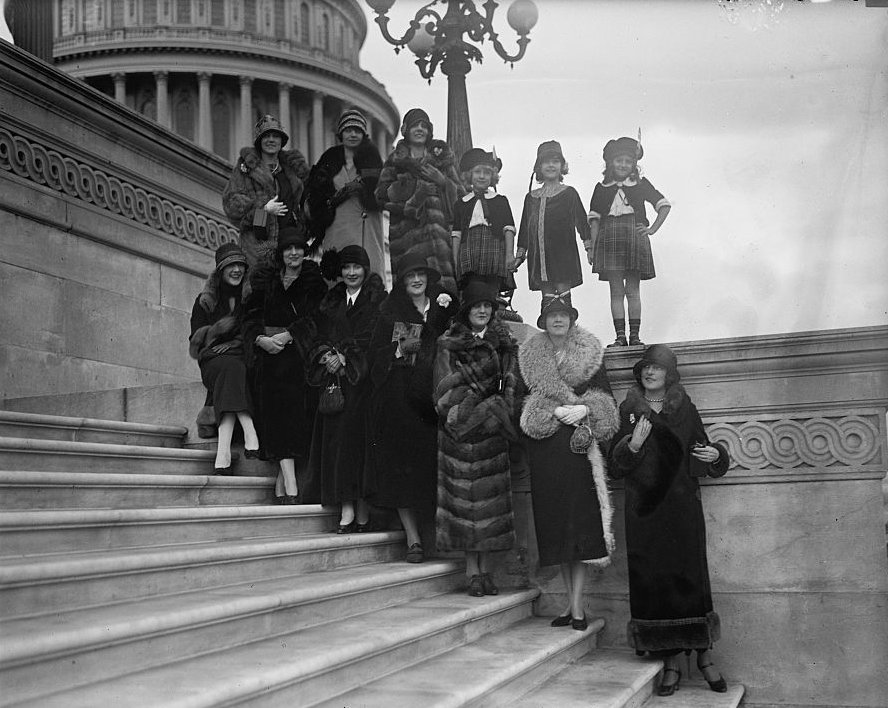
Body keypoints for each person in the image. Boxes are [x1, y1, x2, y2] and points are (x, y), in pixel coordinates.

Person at [609, 344, 729, 696]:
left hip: (681, 510)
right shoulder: (628, 411)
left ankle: (705, 658)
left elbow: (703, 448)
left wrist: (714, 454)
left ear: (669, 374)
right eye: (646, 367)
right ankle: (671, 664)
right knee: (655, 584)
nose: (650, 372)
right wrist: (632, 446)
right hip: (645, 513)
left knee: (691, 581)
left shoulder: (685, 408)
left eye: (657, 368)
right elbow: (615, 466)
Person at [517, 294, 619, 629]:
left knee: (579, 529)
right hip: (547, 448)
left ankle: (576, 607)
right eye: (552, 316)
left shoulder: (591, 353)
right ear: (544, 322)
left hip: (579, 448)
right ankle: (570, 605)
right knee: (559, 530)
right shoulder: (529, 357)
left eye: (563, 315)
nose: (558, 320)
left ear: (572, 319)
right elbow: (519, 401)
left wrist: (586, 408)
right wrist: (552, 409)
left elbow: (607, 399)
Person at [366, 252, 458, 562]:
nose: (416, 280)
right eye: (410, 276)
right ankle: (413, 539)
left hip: (435, 400)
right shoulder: (389, 312)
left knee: (432, 470)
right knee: (402, 471)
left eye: (421, 275)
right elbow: (373, 356)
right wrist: (398, 349)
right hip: (400, 402)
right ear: (403, 282)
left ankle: (435, 537)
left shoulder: (444, 308)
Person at [433, 279, 519, 596]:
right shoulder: (449, 343)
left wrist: (499, 410)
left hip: (492, 434)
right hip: (459, 436)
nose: (482, 311)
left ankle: (486, 571)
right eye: (476, 306)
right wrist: (479, 409)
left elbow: (512, 385)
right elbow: (443, 393)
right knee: (464, 508)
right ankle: (472, 572)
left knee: (490, 509)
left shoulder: (505, 344)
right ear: (466, 311)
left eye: (487, 306)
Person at [305, 245, 386, 531]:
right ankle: (347, 507)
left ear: (365, 269)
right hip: (336, 384)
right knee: (338, 445)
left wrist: (347, 356)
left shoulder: (378, 300)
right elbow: (318, 335)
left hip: (362, 384)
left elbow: (376, 338)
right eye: (346, 267)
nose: (351, 273)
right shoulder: (332, 301)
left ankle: (362, 509)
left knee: (358, 446)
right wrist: (327, 355)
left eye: (357, 267)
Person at [243, 227, 327, 504]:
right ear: (281, 253)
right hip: (267, 358)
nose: (293, 253)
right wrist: (260, 339)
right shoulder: (266, 280)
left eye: (298, 248)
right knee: (275, 417)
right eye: (288, 248)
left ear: (305, 251)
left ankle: (286, 483)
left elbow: (317, 318)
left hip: (298, 358)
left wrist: (290, 334)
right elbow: (250, 315)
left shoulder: (313, 281)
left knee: (292, 419)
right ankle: (288, 484)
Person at [587, 136, 671, 347]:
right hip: (609, 238)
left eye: (628, 161)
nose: (623, 165)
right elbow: (594, 221)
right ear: (610, 163)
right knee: (616, 290)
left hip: (634, 237)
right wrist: (593, 248)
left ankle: (635, 337)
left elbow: (664, 205)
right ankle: (620, 337)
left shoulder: (641, 185)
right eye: (619, 160)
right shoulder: (601, 187)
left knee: (633, 290)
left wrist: (651, 229)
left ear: (634, 164)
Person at [189, 242, 260, 473]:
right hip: (212, 360)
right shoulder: (205, 300)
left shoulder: (250, 298)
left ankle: (223, 454)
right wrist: (218, 331)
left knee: (233, 368)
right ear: (220, 269)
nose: (237, 270)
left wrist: (235, 342)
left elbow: (254, 331)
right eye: (231, 265)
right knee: (231, 368)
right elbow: (195, 343)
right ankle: (249, 429)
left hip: (241, 356)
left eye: (240, 265)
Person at [375, 108, 463, 294]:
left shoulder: (442, 160)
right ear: (406, 129)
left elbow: (462, 198)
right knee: (413, 293)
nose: (420, 129)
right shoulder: (395, 162)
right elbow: (381, 195)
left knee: (444, 295)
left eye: (424, 126)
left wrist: (443, 181)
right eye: (416, 125)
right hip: (408, 239)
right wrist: (415, 195)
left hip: (441, 241)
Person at [303, 109, 387, 283]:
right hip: (337, 227)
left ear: (364, 134)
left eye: (357, 130)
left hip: (366, 227)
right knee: (338, 276)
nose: (353, 135)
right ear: (341, 133)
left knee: (368, 277)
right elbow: (315, 192)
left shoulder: (373, 160)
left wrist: (363, 189)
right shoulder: (329, 159)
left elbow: (383, 194)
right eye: (348, 130)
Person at [222, 114, 309, 268]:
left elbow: (305, 204)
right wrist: (263, 209)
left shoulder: (293, 170)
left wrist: (301, 227)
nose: (271, 140)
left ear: (282, 141)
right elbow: (231, 204)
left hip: (289, 245)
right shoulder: (246, 168)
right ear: (259, 141)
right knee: (261, 280)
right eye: (266, 136)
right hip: (258, 247)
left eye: (275, 136)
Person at [514, 141, 593, 297]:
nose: (551, 165)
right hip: (539, 257)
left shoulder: (569, 193)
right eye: (546, 162)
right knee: (547, 296)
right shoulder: (531, 198)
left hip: (563, 255)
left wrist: (590, 248)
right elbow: (525, 228)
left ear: (562, 166)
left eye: (555, 161)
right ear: (539, 167)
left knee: (563, 295)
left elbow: (582, 222)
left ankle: (566, 313)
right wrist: (520, 254)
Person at [451, 148, 516, 293]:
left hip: (494, 252)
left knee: (492, 291)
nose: (482, 176)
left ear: (492, 177)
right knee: (472, 291)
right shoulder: (461, 203)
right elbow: (456, 234)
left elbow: (509, 229)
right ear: (470, 175)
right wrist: (455, 261)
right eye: (477, 172)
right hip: (469, 252)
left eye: (486, 173)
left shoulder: (500, 201)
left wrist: (509, 255)